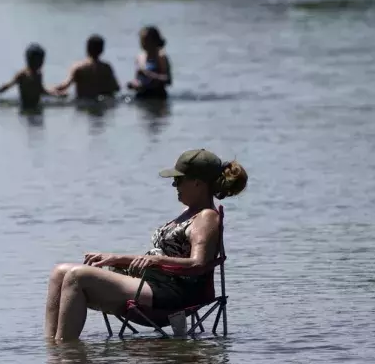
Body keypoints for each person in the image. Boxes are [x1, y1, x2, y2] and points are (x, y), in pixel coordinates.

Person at [44, 148, 248, 342]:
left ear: (197, 183)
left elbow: (198, 263)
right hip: (152, 283)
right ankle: (52, 348)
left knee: (78, 276)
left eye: (178, 180)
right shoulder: (188, 213)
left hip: (172, 294)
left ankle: (65, 354)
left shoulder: (206, 217)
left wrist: (153, 260)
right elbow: (154, 259)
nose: (173, 185)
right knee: (59, 272)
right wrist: (117, 258)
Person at [0, 43, 64, 109]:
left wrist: (56, 95)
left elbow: (41, 90)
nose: (41, 63)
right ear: (29, 60)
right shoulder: (22, 75)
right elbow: (7, 86)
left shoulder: (39, 74)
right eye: (38, 61)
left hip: (37, 105)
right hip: (24, 106)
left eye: (42, 61)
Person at [54, 34, 120, 100]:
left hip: (82, 102)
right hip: (103, 103)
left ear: (87, 48)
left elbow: (64, 86)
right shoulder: (106, 67)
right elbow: (116, 88)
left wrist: (50, 90)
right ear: (102, 50)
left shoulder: (78, 67)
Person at [127, 26, 172, 100]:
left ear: (154, 40)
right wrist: (133, 84)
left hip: (158, 96)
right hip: (141, 95)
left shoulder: (161, 57)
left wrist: (148, 74)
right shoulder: (140, 57)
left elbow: (168, 80)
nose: (143, 42)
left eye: (146, 39)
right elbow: (138, 78)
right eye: (142, 39)